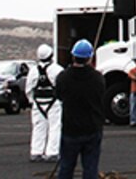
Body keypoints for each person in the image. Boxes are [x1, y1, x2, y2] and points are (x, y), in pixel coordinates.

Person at [56, 39, 105, 179]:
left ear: (73, 56)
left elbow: (59, 95)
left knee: (66, 167)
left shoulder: (63, 77)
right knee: (90, 168)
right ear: (90, 57)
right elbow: (101, 95)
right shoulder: (97, 78)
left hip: (70, 129)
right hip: (92, 128)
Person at [27, 43, 63, 162]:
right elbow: (62, 87)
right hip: (54, 103)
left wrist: (32, 101)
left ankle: (36, 151)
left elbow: (28, 89)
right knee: (55, 127)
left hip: (38, 103)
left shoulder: (33, 71)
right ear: (51, 55)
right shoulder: (57, 70)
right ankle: (52, 152)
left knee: (38, 127)